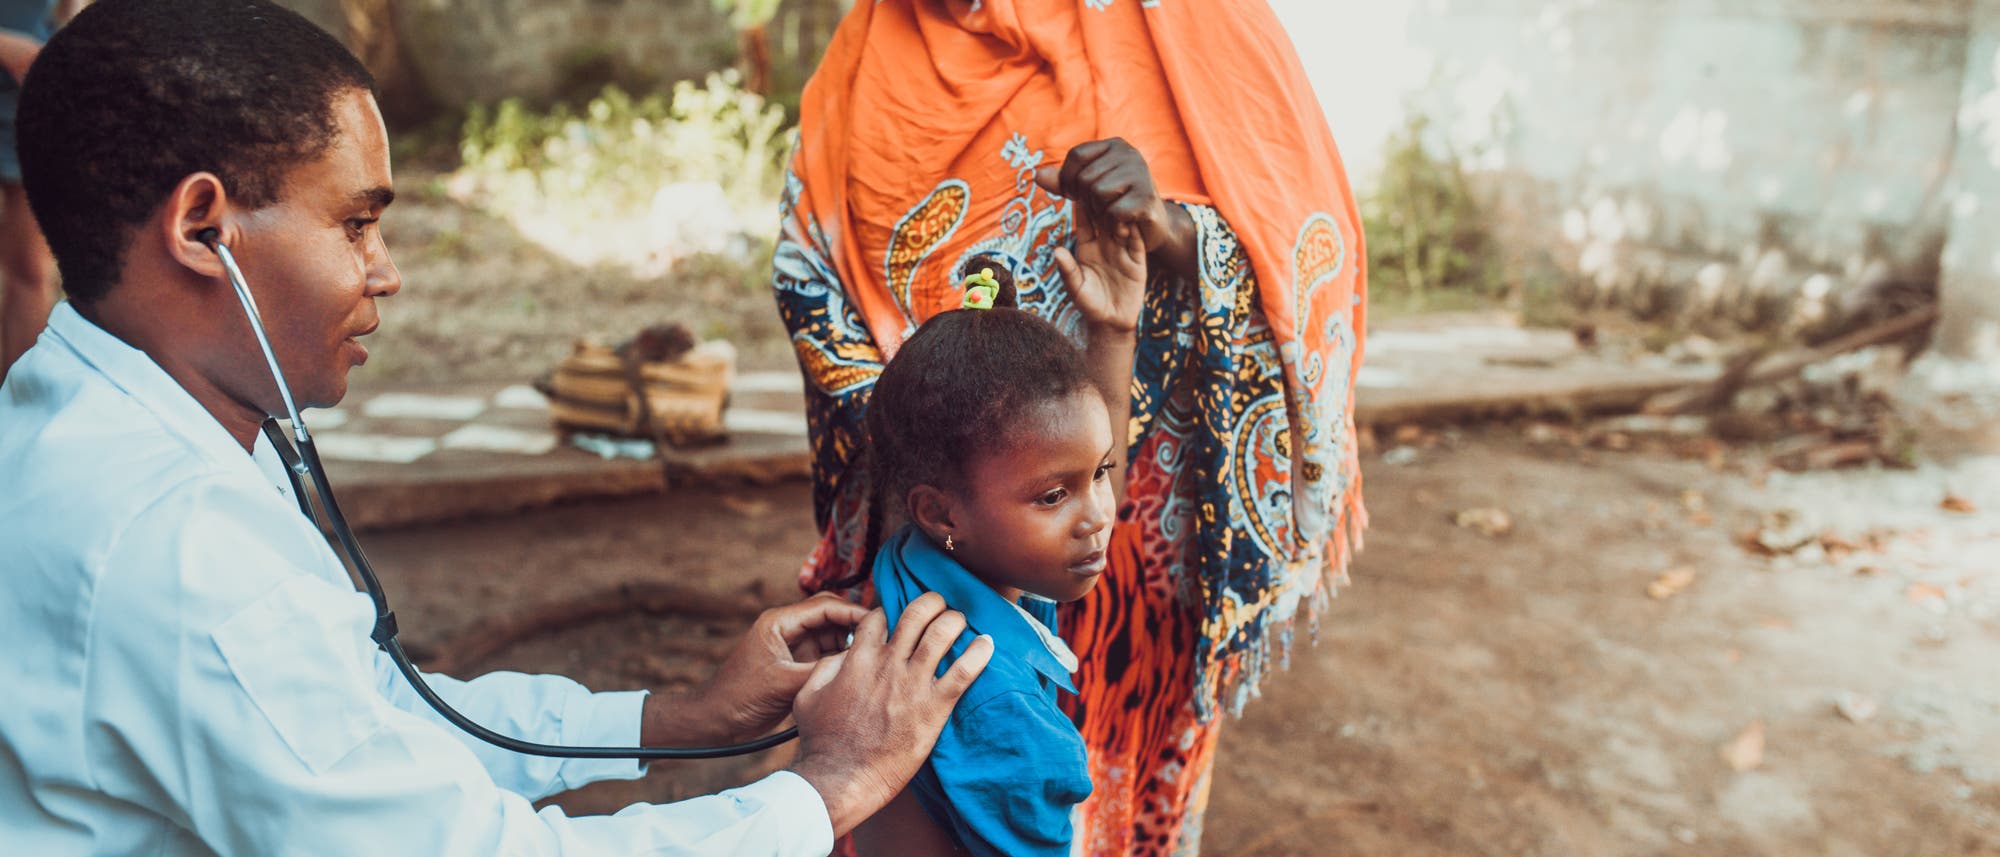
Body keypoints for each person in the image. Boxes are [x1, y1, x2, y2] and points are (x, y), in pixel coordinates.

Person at [0, 2, 991, 854]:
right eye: (354, 223)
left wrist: (673, 717)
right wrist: (826, 786)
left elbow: (371, 724)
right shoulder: (177, 544)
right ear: (202, 228)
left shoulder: (95, 412)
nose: (384, 270)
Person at [773, 1, 1368, 853]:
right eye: (1069, 487)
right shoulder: (868, 58)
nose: (1097, 505)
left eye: (1094, 481)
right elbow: (809, 273)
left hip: (1123, 578)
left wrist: (1169, 237)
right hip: (976, 527)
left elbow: (1298, 238)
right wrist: (946, 426)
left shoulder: (1191, 21)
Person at [851, 227, 1146, 857]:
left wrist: (1114, 335)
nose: (1096, 516)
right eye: (1052, 497)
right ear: (940, 512)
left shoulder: (919, 562)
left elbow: (1065, 454)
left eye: (1100, 475)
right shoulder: (1003, 709)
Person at [0, 0, 75, 379]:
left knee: (33, 269)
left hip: (27, 92)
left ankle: (16, 402)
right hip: (20, 62)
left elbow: (66, 12)